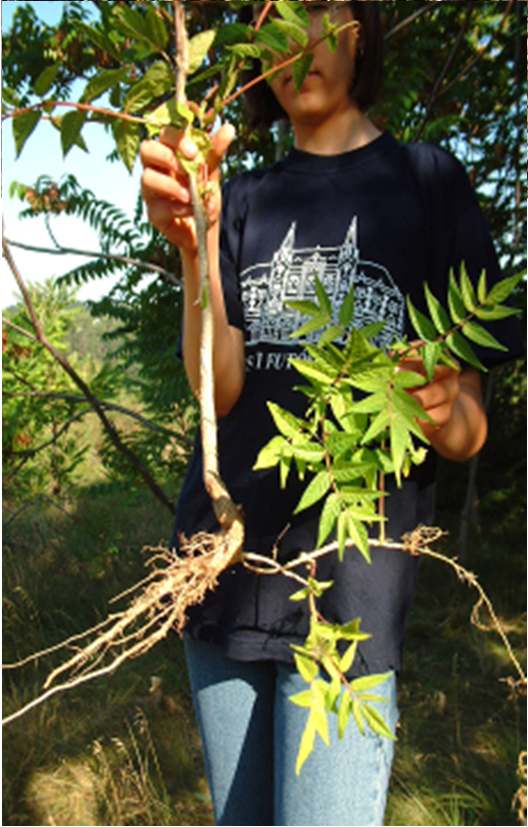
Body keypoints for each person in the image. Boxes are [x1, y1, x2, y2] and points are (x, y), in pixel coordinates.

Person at [140, 3, 521, 824]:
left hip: (352, 602)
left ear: (362, 31)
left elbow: (469, 431)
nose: (294, 44)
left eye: (318, 12)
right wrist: (194, 244)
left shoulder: (428, 183)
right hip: (225, 576)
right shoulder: (239, 197)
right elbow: (221, 386)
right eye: (271, 22)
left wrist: (438, 403)